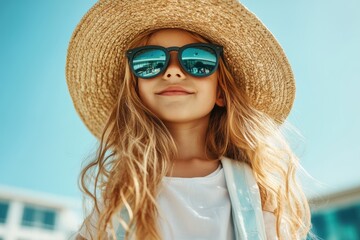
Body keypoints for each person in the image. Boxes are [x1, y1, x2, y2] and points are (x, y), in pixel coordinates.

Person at [66, 0, 311, 239]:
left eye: (198, 61)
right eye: (150, 62)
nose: (173, 71)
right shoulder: (121, 195)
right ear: (136, 92)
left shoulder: (256, 192)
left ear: (221, 92)